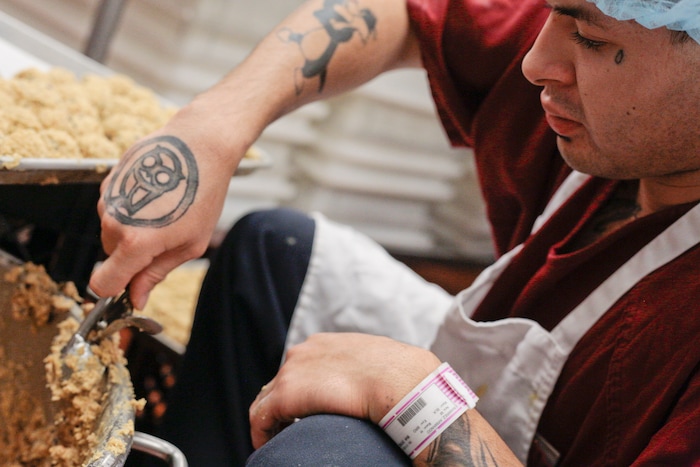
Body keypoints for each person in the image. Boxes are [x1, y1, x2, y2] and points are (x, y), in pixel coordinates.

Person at [90, 0, 700, 465]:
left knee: (330, 452)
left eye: (592, 39)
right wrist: (216, 127)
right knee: (273, 255)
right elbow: (402, 13)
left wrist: (407, 392)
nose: (536, 63)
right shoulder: (626, 129)